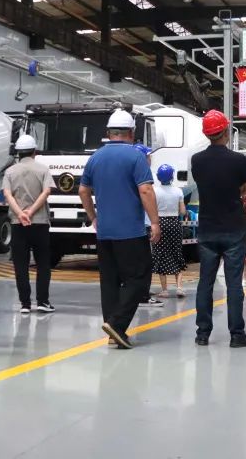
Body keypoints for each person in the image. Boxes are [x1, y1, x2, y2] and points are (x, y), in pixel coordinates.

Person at [78, 109, 160, 350]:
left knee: (110, 282)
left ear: (108, 132)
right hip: (131, 232)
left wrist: (93, 217)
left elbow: (83, 190)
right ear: (131, 132)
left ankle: (113, 331)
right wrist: (155, 222)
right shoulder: (136, 157)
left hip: (104, 232)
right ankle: (117, 323)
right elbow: (145, 190)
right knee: (139, 278)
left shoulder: (95, 157)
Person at [190, 110, 246, 348]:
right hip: (233, 229)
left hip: (207, 229)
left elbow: (205, 184)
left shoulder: (196, 160)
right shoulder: (238, 160)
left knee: (205, 282)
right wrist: (235, 190)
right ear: (226, 131)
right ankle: (237, 334)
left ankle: (202, 333)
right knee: (234, 284)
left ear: (206, 134)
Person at [3, 134, 56, 315]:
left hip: (18, 223)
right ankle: (43, 301)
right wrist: (31, 212)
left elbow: (7, 194)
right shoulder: (43, 170)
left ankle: (25, 304)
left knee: (21, 265)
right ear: (35, 151)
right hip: (39, 223)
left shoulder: (10, 172)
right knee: (43, 264)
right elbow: (46, 192)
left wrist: (20, 213)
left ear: (18, 152)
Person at [133, 143, 166, 308]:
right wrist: (155, 222)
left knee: (132, 261)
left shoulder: (128, 172)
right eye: (148, 156)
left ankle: (135, 292)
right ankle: (142, 296)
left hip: (132, 223)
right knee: (144, 261)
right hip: (143, 223)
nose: (150, 158)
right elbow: (148, 194)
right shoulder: (144, 173)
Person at [151, 164, 187, 298]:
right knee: (176, 252)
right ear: (172, 176)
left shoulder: (154, 191)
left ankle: (165, 290)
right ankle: (179, 288)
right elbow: (182, 211)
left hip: (159, 223)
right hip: (174, 223)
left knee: (161, 254)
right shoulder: (178, 191)